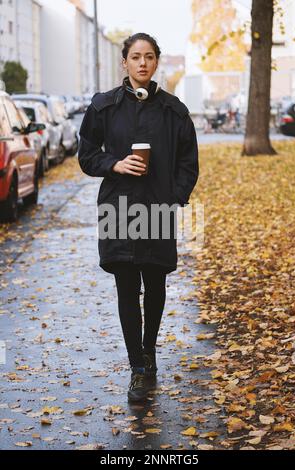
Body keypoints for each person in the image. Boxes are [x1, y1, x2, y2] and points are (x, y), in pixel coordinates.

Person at [78, 33, 199, 403]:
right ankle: (138, 367)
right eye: (135, 57)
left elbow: (188, 163)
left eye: (149, 57)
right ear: (125, 63)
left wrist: (173, 197)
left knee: (156, 284)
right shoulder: (103, 107)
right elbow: (86, 155)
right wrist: (113, 163)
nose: (142, 63)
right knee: (127, 288)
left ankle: (150, 351)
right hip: (118, 208)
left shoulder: (174, 110)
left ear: (156, 62)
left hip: (158, 209)